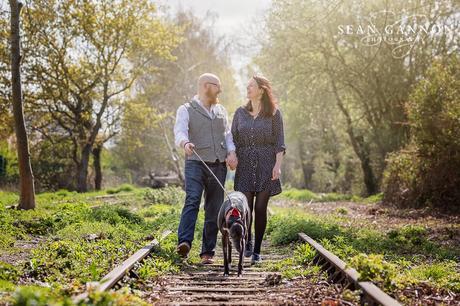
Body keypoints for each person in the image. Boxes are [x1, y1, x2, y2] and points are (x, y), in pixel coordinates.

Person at [174, 73, 237, 264]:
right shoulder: (186, 109)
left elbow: (227, 135)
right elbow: (179, 131)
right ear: (204, 86)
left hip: (218, 165)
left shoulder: (221, 110)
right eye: (216, 86)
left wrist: (232, 152)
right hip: (196, 163)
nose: (220, 90)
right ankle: (184, 243)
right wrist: (185, 143)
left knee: (214, 208)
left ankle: (207, 252)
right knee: (192, 200)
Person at [231, 75, 286, 264]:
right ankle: (247, 242)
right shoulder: (239, 113)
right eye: (247, 86)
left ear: (261, 90)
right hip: (245, 164)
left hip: (266, 164)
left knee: (260, 208)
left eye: (251, 86)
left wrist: (277, 166)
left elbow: (279, 142)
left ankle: (257, 250)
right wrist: (232, 155)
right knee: (246, 208)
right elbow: (233, 138)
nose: (247, 88)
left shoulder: (274, 114)